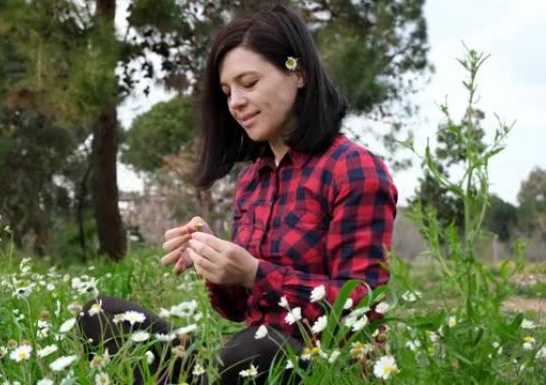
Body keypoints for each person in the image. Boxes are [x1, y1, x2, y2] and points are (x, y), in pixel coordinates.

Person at [80, 4, 398, 384]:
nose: (236, 103)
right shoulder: (253, 181)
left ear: (299, 74)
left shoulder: (352, 168)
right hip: (244, 359)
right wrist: (215, 261)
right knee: (100, 315)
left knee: (258, 349)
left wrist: (255, 272)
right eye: (228, 92)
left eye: (249, 83)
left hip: (323, 364)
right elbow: (237, 310)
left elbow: (363, 304)